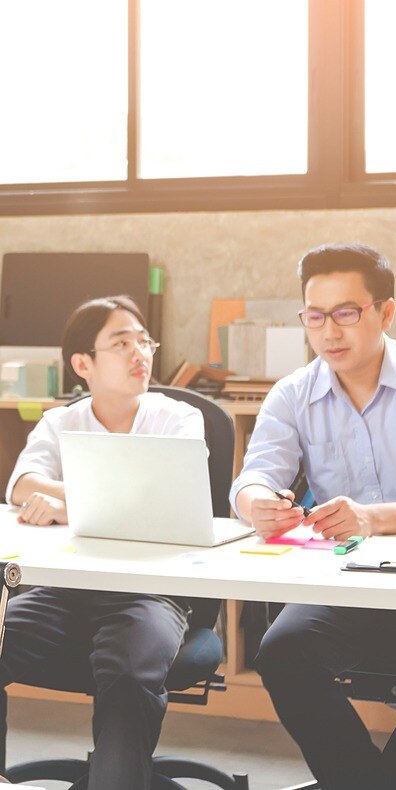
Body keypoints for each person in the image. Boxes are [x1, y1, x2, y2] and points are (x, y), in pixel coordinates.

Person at [230, 243, 396, 790]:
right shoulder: (293, 394)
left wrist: (372, 519)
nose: (329, 331)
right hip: (345, 584)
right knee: (280, 653)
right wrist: (257, 502)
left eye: (346, 313)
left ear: (386, 311)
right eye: (315, 316)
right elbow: (253, 476)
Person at [0, 295, 204, 790]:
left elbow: (167, 503)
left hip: (150, 590)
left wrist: (69, 506)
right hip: (65, 589)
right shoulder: (60, 422)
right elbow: (21, 485)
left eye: (144, 340)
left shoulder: (176, 418)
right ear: (82, 363)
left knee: (129, 674)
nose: (140, 353)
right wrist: (98, 500)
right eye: (122, 342)